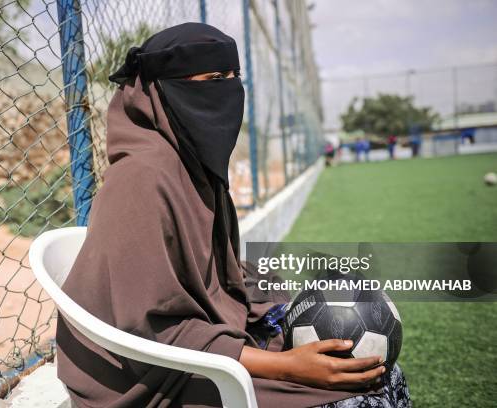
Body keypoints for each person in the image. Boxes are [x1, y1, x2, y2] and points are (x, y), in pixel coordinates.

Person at [56, 23, 410, 407]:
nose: (227, 89)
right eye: (212, 78)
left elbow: (214, 276)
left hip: (199, 342)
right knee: (349, 395)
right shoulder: (141, 179)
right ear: (165, 90)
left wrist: (278, 310)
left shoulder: (195, 168)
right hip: (141, 376)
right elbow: (147, 326)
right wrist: (288, 367)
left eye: (232, 76)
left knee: (371, 371)